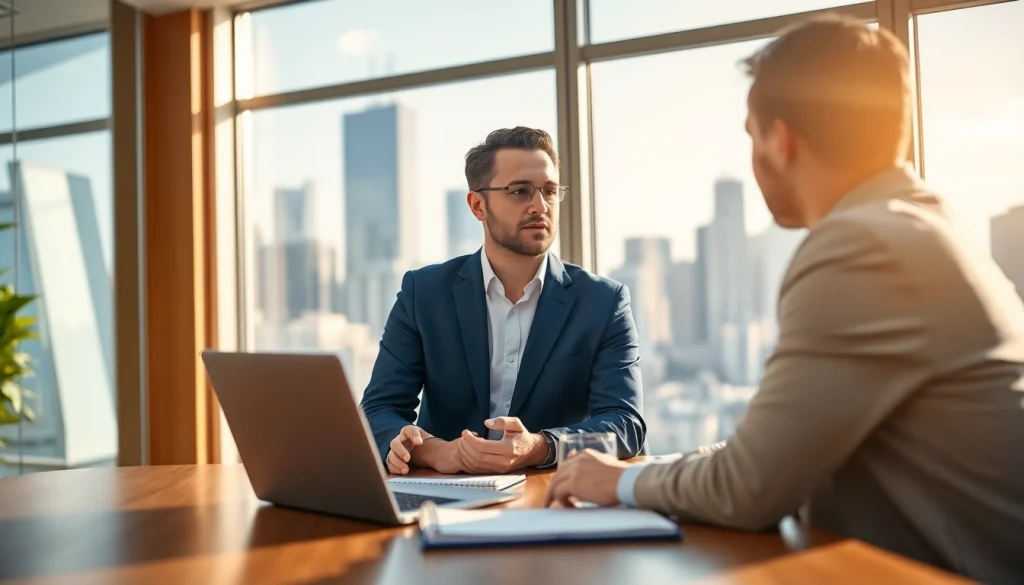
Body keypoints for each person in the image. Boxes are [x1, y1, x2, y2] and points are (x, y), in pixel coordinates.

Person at [545, 15, 1024, 584]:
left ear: (782, 140)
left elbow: (750, 488)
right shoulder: (922, 225)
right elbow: (779, 448)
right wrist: (657, 469)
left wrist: (616, 480)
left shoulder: (859, 248)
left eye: (752, 136)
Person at [359, 126, 646, 477]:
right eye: (520, 191)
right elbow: (378, 409)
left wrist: (540, 447)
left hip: (553, 495)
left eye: (550, 191)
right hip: (444, 495)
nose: (540, 206)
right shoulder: (423, 293)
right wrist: (435, 452)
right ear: (478, 205)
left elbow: (625, 423)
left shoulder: (603, 302)